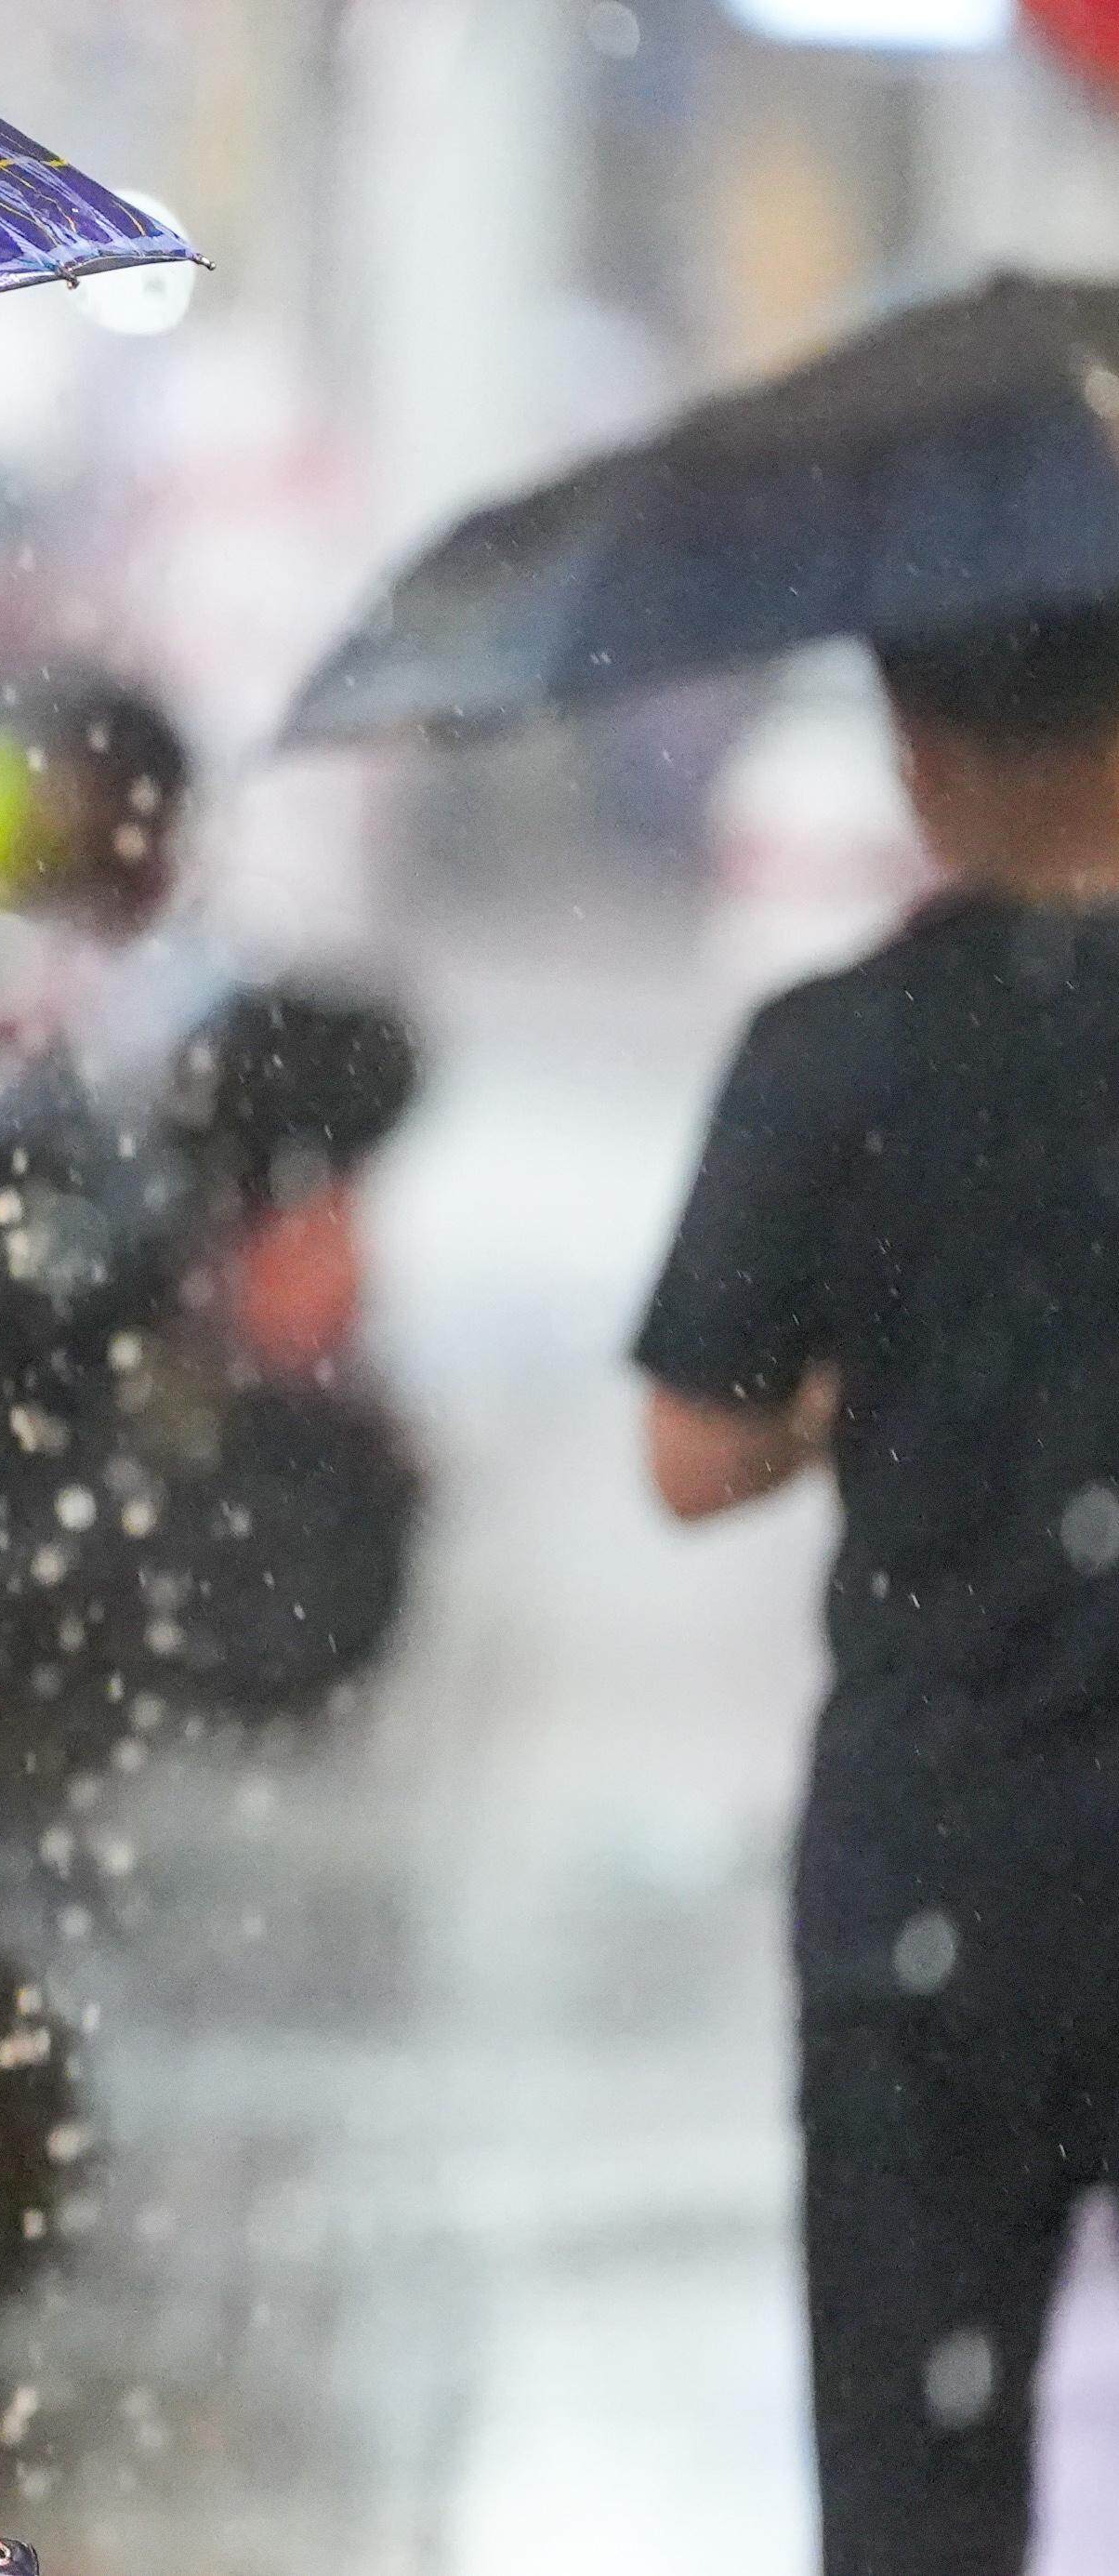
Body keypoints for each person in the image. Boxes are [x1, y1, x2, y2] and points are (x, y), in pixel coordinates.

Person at [636, 603, 1119, 2576]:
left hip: (936, 1882)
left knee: (921, 2490)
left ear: (913, 750)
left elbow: (688, 1457)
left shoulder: (830, 1049)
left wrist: (855, 1394)